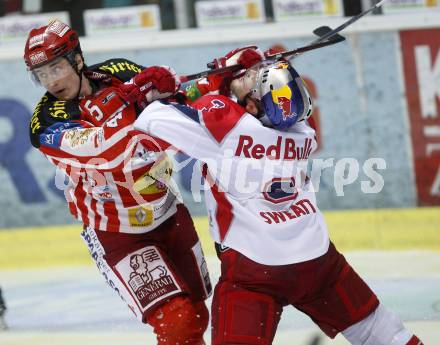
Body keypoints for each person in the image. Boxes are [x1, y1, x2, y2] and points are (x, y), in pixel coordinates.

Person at [132, 55, 425, 345]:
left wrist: (198, 87)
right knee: (378, 330)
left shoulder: (224, 127)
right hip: (319, 262)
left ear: (250, 105)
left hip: (255, 272)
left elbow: (150, 117)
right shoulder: (302, 130)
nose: (246, 75)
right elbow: (260, 109)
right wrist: (237, 77)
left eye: (250, 78)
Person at [24, 20, 212, 345]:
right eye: (41, 75)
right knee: (177, 323)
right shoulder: (46, 122)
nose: (50, 81)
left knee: (197, 313)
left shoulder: (119, 70)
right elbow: (106, 152)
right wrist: (132, 101)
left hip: (168, 210)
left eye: (56, 68)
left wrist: (220, 76)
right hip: (117, 233)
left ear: (77, 59)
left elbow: (181, 104)